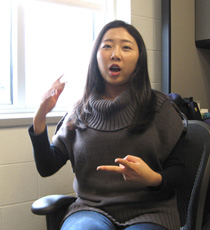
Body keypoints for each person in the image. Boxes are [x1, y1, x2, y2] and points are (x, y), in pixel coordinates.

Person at [29, 20, 186, 230]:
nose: (115, 54)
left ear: (139, 59)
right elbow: (47, 167)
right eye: (107, 46)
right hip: (90, 211)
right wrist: (39, 118)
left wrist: (153, 178)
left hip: (151, 213)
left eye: (126, 47)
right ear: (96, 57)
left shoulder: (159, 107)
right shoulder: (78, 112)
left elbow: (180, 172)